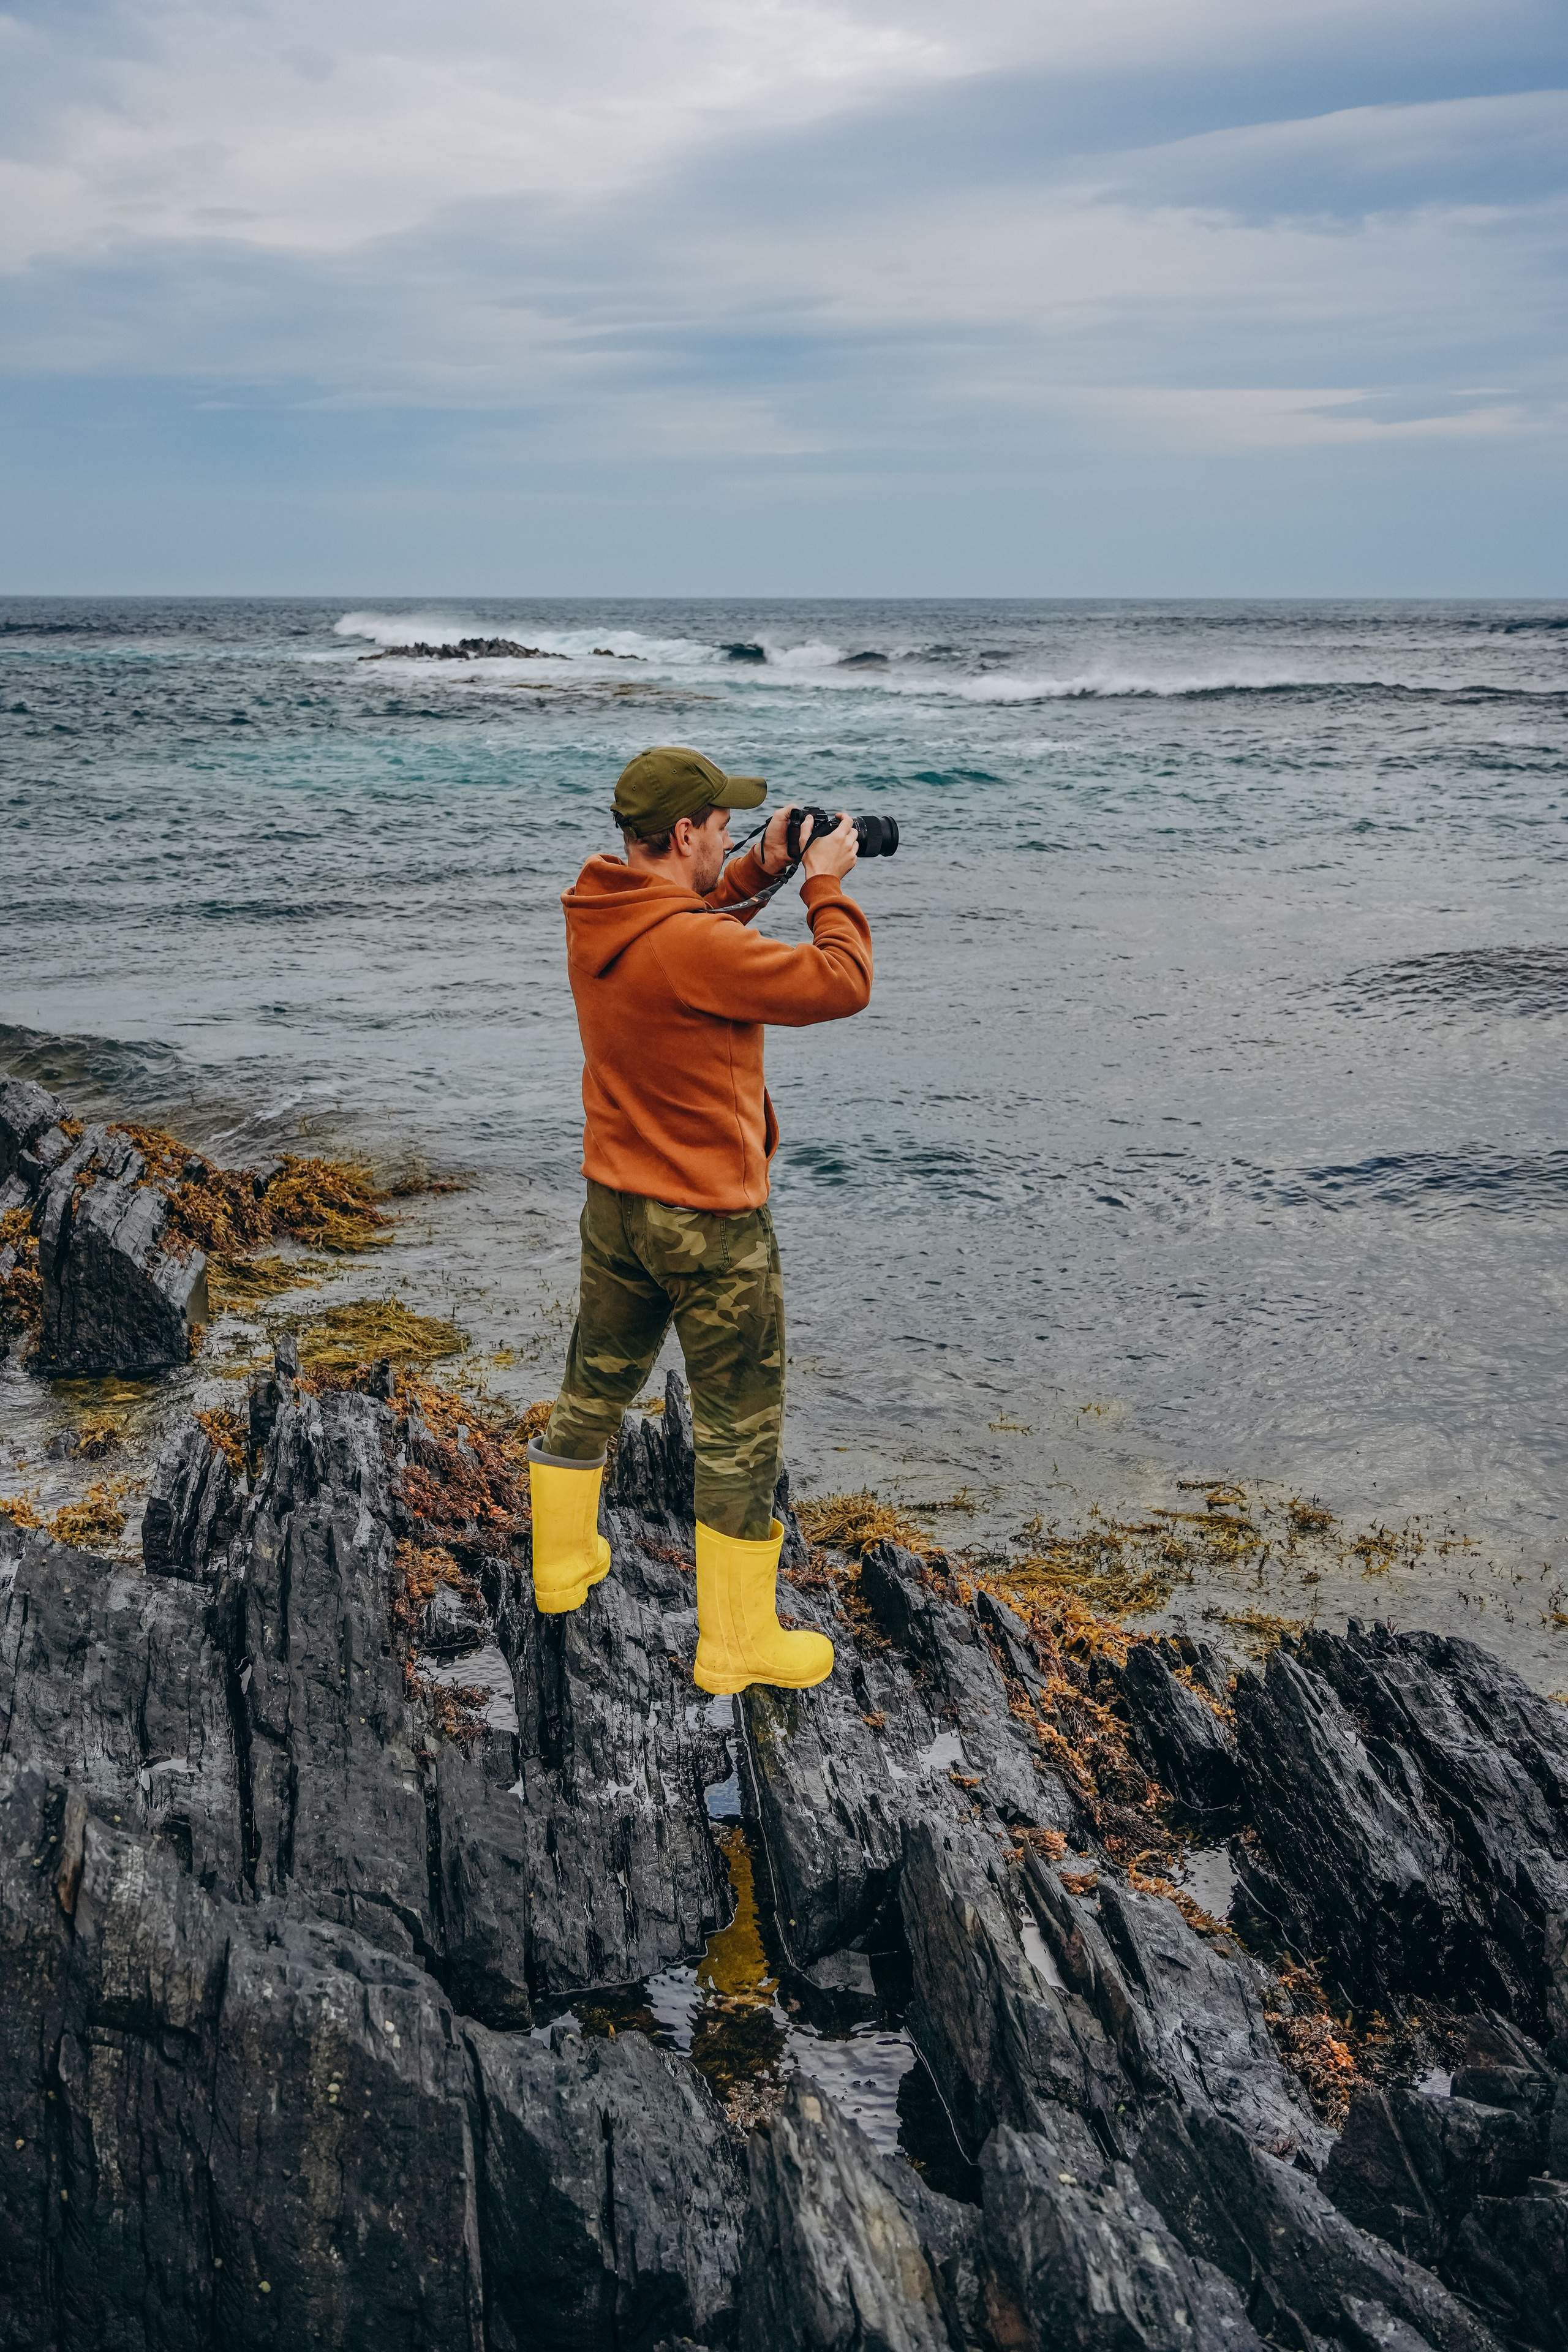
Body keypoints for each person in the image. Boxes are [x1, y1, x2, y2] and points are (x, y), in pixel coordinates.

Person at [526, 744, 873, 1695]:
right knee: (738, 1428)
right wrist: (823, 882)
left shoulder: (598, 912)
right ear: (683, 833)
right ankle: (737, 1642)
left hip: (618, 1206)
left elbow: (687, 920)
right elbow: (841, 983)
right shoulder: (694, 948)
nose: (729, 837)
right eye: (722, 827)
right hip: (710, 1224)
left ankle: (560, 1564)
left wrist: (760, 865)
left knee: (595, 1383)